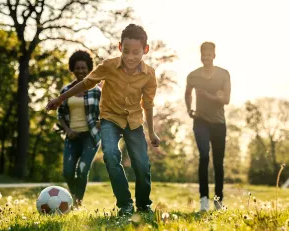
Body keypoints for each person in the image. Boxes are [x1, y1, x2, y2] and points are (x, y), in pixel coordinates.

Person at [46, 24, 160, 216]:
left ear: (145, 50)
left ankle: (143, 204)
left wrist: (152, 132)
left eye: (136, 52)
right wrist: (61, 98)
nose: (131, 57)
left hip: (134, 121)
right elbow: (86, 83)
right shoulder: (108, 66)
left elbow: (147, 104)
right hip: (110, 119)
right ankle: (125, 204)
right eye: (126, 51)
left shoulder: (149, 74)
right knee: (110, 155)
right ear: (119, 47)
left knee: (141, 165)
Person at [185, 42, 231, 211]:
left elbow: (226, 100)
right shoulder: (193, 76)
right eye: (204, 54)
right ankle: (203, 200)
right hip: (200, 121)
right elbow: (187, 93)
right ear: (200, 55)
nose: (206, 57)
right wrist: (189, 108)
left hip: (219, 123)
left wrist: (209, 96)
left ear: (214, 55)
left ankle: (218, 201)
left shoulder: (224, 74)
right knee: (204, 156)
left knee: (218, 163)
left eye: (209, 54)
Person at [57, 50, 101, 209]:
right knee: (68, 172)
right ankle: (74, 196)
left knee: (82, 169)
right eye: (78, 68)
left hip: (90, 137)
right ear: (72, 69)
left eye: (84, 68)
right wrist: (67, 130)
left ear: (89, 69)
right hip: (72, 136)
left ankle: (77, 203)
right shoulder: (66, 90)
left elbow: (107, 111)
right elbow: (60, 114)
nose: (81, 71)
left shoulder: (96, 90)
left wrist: (100, 123)